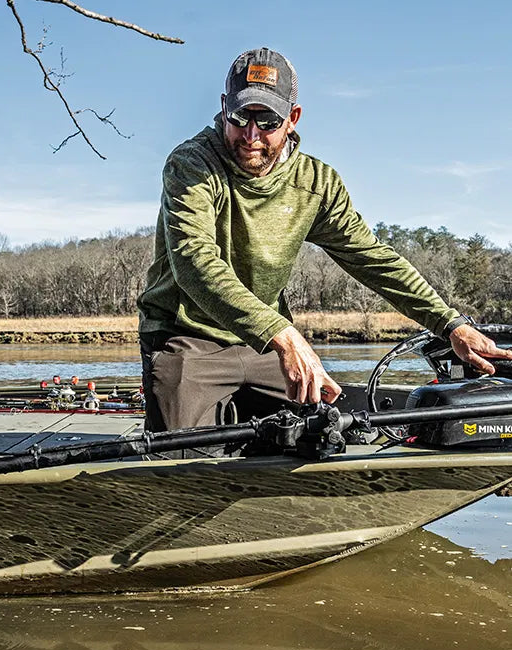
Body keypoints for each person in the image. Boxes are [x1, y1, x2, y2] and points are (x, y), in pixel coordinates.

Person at [137, 47, 512, 432]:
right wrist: (284, 336)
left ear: (292, 118)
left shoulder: (316, 183)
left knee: (323, 432)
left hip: (267, 346)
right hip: (186, 339)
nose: (250, 135)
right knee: (178, 462)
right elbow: (195, 264)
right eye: (239, 117)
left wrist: (450, 325)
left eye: (266, 120)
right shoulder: (193, 164)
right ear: (223, 107)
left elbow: (372, 258)